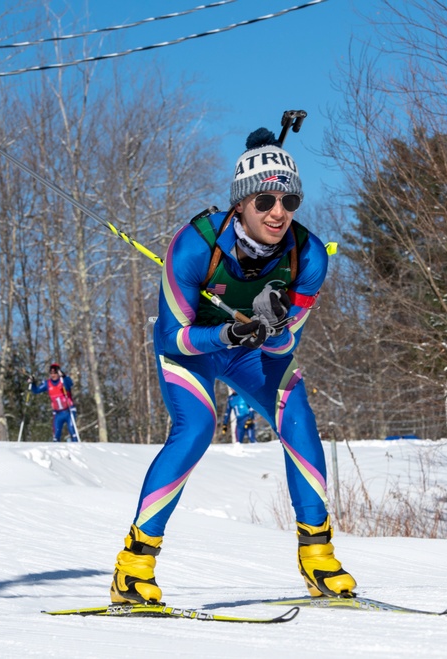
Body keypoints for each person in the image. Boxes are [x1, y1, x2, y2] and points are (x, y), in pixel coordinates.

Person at [110, 127, 355, 605]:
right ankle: (133, 567)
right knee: (197, 427)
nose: (278, 213)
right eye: (264, 200)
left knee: (297, 416)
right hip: (193, 348)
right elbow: (170, 336)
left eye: (290, 201)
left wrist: (277, 322)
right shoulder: (194, 245)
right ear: (240, 203)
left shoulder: (308, 256)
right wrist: (226, 333)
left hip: (253, 353)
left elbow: (285, 349)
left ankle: (317, 556)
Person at [29, 363, 78, 442]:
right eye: (51, 373)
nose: (53, 375)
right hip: (58, 413)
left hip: (69, 411)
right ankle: (56, 451)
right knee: (56, 434)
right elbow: (36, 391)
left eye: (55, 373)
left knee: (72, 430)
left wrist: (64, 376)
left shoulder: (63, 380)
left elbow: (70, 384)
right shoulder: (47, 383)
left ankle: (77, 448)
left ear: (58, 373)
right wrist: (33, 383)